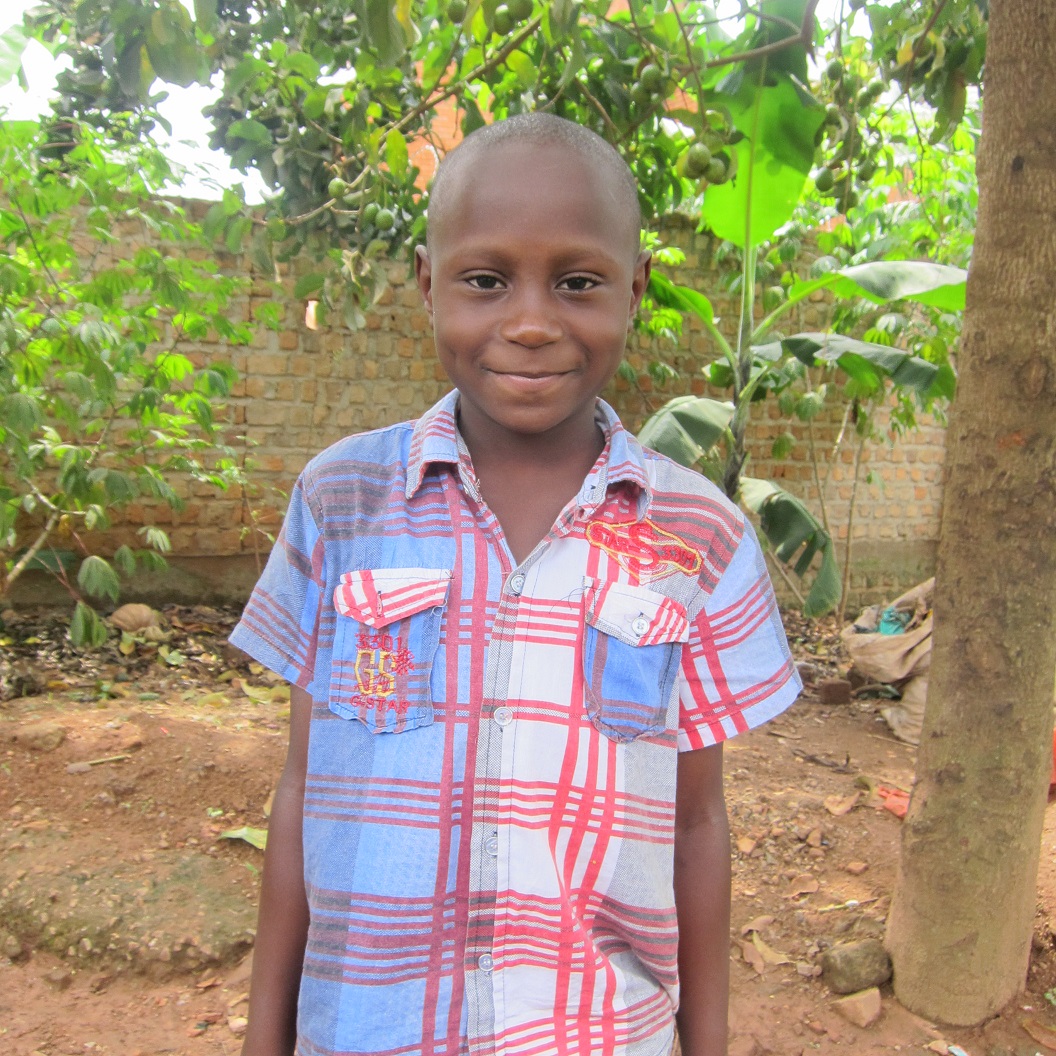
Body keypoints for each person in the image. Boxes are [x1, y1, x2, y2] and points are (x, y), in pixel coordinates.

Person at [230, 112, 801, 1056]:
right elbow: (304, 784)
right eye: (485, 280)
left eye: (578, 283)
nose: (531, 323)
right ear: (428, 283)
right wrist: (266, 1039)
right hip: (371, 1028)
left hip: (597, 1031)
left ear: (635, 288)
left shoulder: (699, 536)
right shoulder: (341, 501)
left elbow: (697, 823)